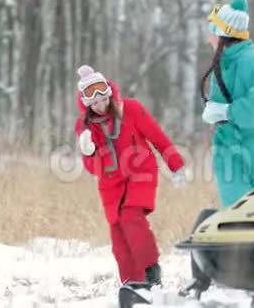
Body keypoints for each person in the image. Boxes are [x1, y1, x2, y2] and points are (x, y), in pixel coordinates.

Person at [73, 65, 186, 287]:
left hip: (140, 173)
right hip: (111, 185)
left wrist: (176, 165)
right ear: (86, 104)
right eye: (93, 102)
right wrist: (88, 153)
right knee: (119, 238)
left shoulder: (131, 109)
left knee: (131, 217)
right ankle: (134, 286)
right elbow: (94, 169)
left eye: (102, 99)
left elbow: (157, 137)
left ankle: (151, 268)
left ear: (108, 93)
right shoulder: (84, 127)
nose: (100, 105)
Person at [201, 0, 254, 207]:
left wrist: (229, 112)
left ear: (223, 35)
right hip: (229, 153)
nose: (208, 38)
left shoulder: (252, 61)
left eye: (211, 31)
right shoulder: (223, 64)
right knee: (236, 215)